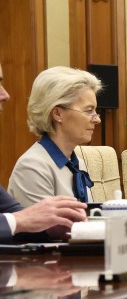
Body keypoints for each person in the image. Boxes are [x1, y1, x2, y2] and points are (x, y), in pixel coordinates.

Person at [0, 61, 87, 240]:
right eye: (89, 110)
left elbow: (23, 217)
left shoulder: (78, 160)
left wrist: (52, 227)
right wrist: (17, 221)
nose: (5, 95)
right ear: (57, 114)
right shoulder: (32, 164)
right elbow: (21, 219)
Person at [9, 66, 102, 206]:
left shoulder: (78, 163)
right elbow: (44, 227)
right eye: (89, 110)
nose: (97, 119)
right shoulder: (32, 167)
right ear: (58, 114)